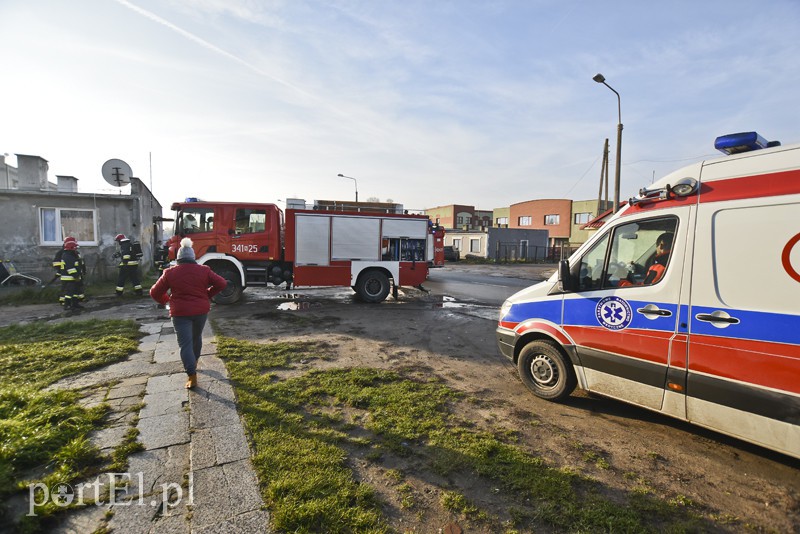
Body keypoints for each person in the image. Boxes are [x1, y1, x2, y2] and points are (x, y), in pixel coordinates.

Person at [149, 238, 228, 389]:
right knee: (196, 338)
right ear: (193, 257)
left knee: (185, 344)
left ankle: (192, 376)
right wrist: (208, 294)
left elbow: (154, 292)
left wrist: (166, 300)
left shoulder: (169, 273)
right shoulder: (204, 270)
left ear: (178, 258)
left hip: (180, 313)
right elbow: (222, 283)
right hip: (200, 311)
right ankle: (194, 363)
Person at [59, 240, 83, 312]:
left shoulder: (71, 255)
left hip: (73, 277)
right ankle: (67, 305)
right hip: (69, 278)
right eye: (75, 248)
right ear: (71, 248)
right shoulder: (68, 256)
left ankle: (75, 304)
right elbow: (70, 268)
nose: (76, 249)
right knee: (69, 293)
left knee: (75, 292)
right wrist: (76, 276)